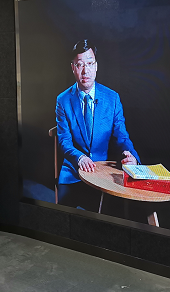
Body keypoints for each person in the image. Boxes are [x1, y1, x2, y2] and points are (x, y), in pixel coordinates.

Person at [55, 40, 140, 211]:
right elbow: (64, 141)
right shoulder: (63, 100)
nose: (85, 70)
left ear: (96, 66)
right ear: (72, 68)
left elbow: (122, 136)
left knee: (111, 212)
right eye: (80, 64)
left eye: (89, 63)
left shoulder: (112, 98)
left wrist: (132, 157)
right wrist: (80, 158)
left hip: (102, 172)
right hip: (73, 172)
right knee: (62, 213)